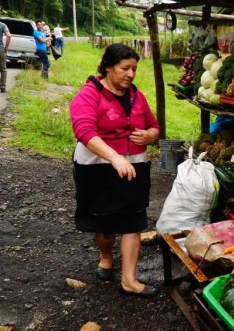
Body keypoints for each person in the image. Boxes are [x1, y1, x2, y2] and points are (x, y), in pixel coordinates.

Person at [69, 43, 160, 298]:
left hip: (135, 165)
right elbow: (84, 131)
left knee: (134, 219)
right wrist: (115, 157)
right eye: (124, 68)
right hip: (98, 167)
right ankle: (106, 256)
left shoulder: (136, 96)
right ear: (108, 67)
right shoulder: (89, 94)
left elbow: (154, 126)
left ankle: (129, 280)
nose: (131, 74)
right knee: (105, 223)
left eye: (134, 68)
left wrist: (150, 135)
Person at [0, 20, 11, 93]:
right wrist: (6, 47)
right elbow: (9, 36)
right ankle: (3, 87)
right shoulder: (2, 25)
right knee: (3, 69)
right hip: (0, 50)